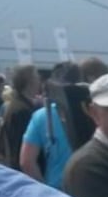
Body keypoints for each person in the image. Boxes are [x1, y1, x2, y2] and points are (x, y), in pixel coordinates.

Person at [20, 61, 81, 189]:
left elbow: (26, 162)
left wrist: (46, 192)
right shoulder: (95, 113)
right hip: (90, 191)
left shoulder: (41, 116)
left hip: (56, 191)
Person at [0, 64, 41, 168]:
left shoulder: (15, 105)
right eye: (37, 77)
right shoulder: (22, 111)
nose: (39, 81)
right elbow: (20, 148)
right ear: (30, 82)